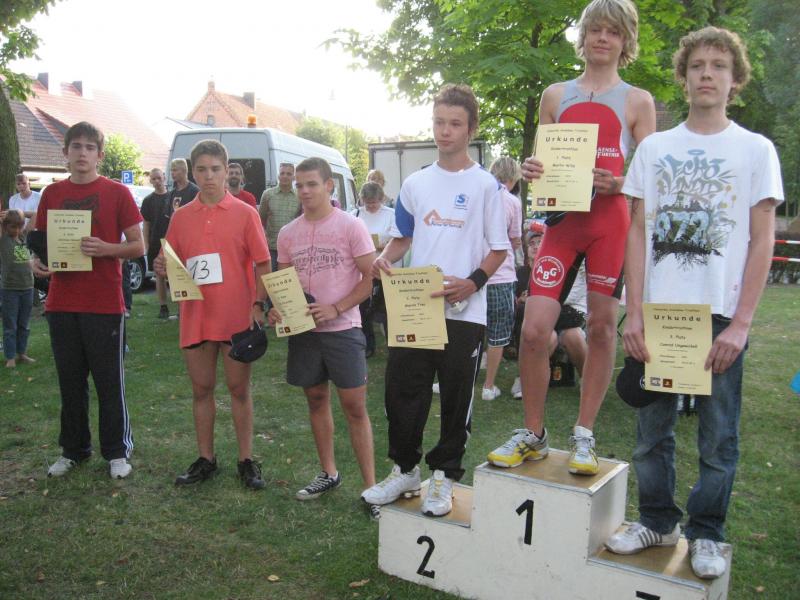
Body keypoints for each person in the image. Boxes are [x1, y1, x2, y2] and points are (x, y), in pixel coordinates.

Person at [605, 26, 783, 580]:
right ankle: (657, 520)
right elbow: (637, 232)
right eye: (698, 65)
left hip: (721, 317)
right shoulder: (655, 148)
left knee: (718, 436)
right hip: (660, 315)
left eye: (719, 66)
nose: (707, 74)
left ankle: (707, 532)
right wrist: (634, 312)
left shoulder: (756, 150)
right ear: (683, 78)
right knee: (651, 434)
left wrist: (742, 324)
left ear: (735, 80)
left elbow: (763, 240)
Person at [488, 0, 656, 475]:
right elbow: (545, 165)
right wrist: (532, 169)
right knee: (534, 329)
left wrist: (618, 184)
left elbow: (651, 174)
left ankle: (584, 433)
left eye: (613, 31)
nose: (602, 38)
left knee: (601, 328)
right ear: (583, 37)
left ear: (625, 41)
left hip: (609, 224)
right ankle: (534, 433)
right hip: (563, 225)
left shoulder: (637, 101)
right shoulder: (555, 95)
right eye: (595, 29)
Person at [362, 84, 509, 517]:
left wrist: (472, 282)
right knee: (403, 391)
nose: (445, 131)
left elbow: (499, 249)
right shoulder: (415, 183)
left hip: (465, 310)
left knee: (456, 397)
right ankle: (405, 470)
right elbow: (402, 237)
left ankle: (444, 476)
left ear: (471, 129)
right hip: (416, 307)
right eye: (439, 122)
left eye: (454, 124)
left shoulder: (486, 186)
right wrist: (384, 260)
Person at [155, 140, 271, 490]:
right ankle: (206, 459)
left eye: (215, 169)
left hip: (236, 317)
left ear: (226, 169)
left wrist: (258, 304)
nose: (209, 176)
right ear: (192, 172)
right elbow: (171, 261)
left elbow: (263, 262)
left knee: (239, 389)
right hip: (196, 315)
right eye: (202, 170)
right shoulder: (180, 217)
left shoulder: (246, 213)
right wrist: (162, 266)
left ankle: (246, 460)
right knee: (201, 389)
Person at [34, 121, 144, 480]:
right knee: (70, 383)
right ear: (65, 153)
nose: (82, 153)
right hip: (61, 303)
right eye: (76, 146)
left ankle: (117, 452)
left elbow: (138, 245)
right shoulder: (51, 194)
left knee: (109, 382)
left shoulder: (117, 193)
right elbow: (36, 243)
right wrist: (34, 262)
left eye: (89, 147)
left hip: (104, 304)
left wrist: (106, 248)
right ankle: (73, 450)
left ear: (100, 154)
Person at [269, 157, 377, 508]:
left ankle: (371, 488)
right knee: (315, 399)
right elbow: (284, 284)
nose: (304, 191)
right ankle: (329, 472)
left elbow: (370, 278)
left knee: (354, 407)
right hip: (305, 333)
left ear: (329, 186)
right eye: (299, 185)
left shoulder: (351, 226)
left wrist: (337, 307)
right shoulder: (288, 233)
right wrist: (278, 308)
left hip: (343, 329)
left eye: (312, 184)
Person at [510, 225, 588, 398]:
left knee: (573, 335)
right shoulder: (526, 271)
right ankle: (526, 379)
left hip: (568, 317)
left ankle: (588, 381)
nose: (536, 246)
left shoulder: (578, 263)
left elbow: (572, 301)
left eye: (540, 242)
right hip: (546, 318)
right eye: (532, 243)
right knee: (548, 337)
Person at [481, 157, 522, 400]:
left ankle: (452, 380)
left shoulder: (479, 196)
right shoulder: (513, 202)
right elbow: (515, 239)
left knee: (467, 330)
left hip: (474, 275)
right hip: (501, 275)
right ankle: (488, 386)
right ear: (513, 178)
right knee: (497, 333)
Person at [352, 181, 396, 357]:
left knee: (387, 310)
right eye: (367, 202)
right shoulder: (355, 215)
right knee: (363, 309)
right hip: (363, 270)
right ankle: (367, 345)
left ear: (381, 199)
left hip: (386, 268)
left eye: (374, 202)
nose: (370, 205)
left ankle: (393, 345)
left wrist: (383, 245)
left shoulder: (391, 214)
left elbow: (398, 240)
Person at [1, 209, 35, 368]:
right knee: (10, 325)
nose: (16, 230)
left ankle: (22, 353)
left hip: (27, 287)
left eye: (19, 227)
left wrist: (20, 213)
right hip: (10, 289)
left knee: (24, 324)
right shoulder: (3, 240)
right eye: (13, 227)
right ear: (5, 226)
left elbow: (36, 215)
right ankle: (10, 357)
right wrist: (3, 218)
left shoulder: (23, 236)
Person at [139, 168, 172, 319]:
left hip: (171, 241)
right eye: (154, 179)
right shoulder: (148, 201)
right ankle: (163, 306)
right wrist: (146, 244)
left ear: (164, 177)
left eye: (159, 178)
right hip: (155, 242)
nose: (157, 181)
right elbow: (146, 224)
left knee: (175, 274)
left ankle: (181, 305)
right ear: (150, 181)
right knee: (159, 274)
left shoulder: (172, 197)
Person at [259, 162, 299, 271]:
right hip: (271, 248)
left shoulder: (299, 196)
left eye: (289, 174)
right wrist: (264, 236)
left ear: (294, 177)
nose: (285, 176)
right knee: (271, 279)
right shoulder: (268, 194)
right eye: (282, 173)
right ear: (278, 176)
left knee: (288, 279)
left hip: (291, 249)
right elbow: (260, 220)